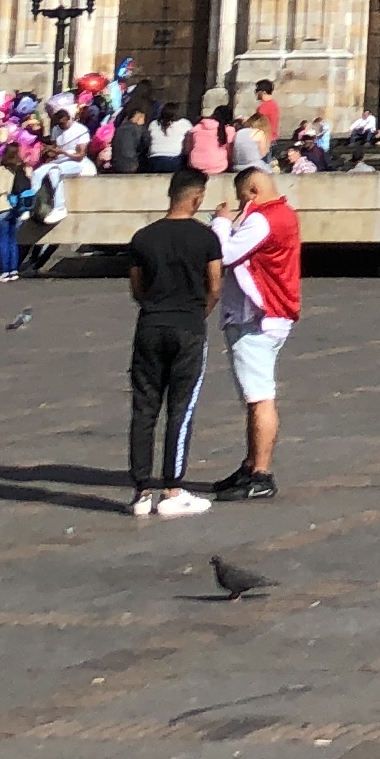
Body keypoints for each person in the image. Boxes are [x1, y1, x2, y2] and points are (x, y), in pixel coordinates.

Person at [122, 169, 223, 518]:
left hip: (150, 325)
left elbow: (136, 287)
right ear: (197, 198)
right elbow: (215, 286)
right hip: (188, 327)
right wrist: (198, 312)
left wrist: (154, 306)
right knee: (181, 408)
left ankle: (141, 491)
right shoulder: (206, 238)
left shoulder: (143, 237)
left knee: (144, 408)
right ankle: (172, 489)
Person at [207, 161, 301, 500]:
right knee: (254, 397)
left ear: (253, 191)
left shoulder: (263, 218)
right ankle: (250, 465)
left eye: (242, 198)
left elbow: (225, 253)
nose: (240, 206)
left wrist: (220, 222)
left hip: (258, 317)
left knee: (260, 397)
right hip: (272, 314)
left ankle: (261, 473)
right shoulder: (285, 213)